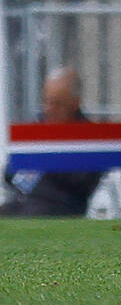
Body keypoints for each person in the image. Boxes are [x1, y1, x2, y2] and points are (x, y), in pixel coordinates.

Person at [1, 68, 104, 218]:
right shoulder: (38, 128)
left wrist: (44, 160)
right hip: (22, 203)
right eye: (46, 101)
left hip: (57, 209)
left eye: (57, 103)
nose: (49, 109)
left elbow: (80, 185)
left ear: (74, 103)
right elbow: (9, 174)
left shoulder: (88, 138)